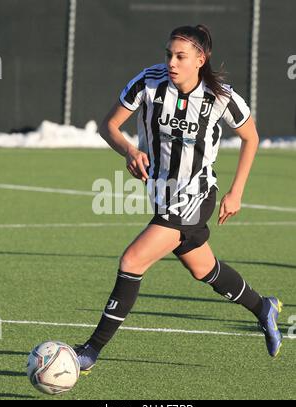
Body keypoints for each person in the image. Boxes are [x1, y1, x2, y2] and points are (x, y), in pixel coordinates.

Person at [74, 25, 283, 373]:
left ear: (200, 60)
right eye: (169, 54)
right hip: (161, 194)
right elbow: (108, 126)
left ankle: (90, 351)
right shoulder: (149, 82)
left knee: (132, 261)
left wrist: (237, 192)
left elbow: (251, 137)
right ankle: (263, 307)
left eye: (181, 56)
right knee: (203, 268)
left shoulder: (220, 97)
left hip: (196, 193)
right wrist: (128, 149)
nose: (171, 62)